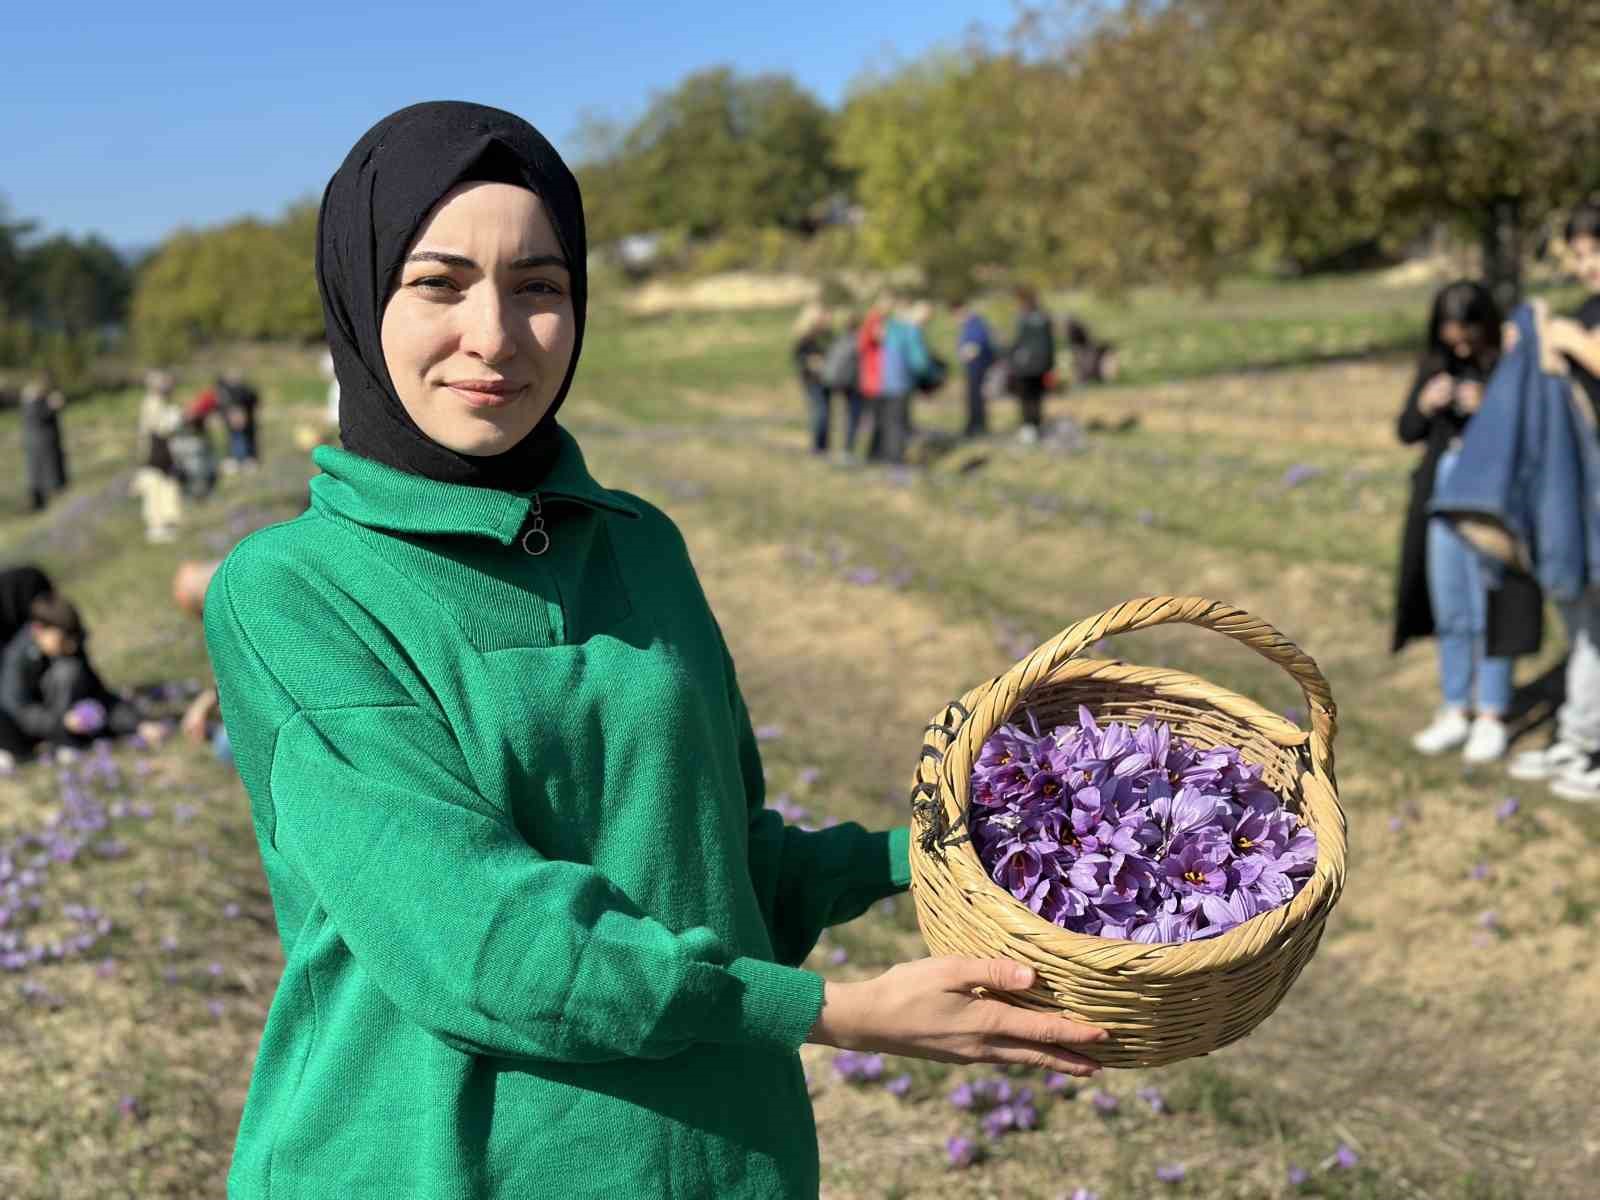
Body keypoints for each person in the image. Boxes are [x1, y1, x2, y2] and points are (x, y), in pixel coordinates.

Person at [203, 101, 1105, 1200]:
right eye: (437, 285)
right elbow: (482, 942)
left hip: (722, 1159)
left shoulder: (638, 545)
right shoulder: (294, 591)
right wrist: (835, 1013)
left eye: (539, 286)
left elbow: (712, 860)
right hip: (437, 1165)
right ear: (358, 299)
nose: (494, 335)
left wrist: (916, 858)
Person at [1396, 281, 1527, 763]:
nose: (1460, 346)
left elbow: (1527, 436)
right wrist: (1425, 404)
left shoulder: (1509, 366)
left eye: (1467, 335)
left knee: (1493, 602)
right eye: (1451, 336)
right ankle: (1456, 707)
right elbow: (1405, 430)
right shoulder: (1436, 363)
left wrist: (1487, 408)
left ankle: (1492, 712)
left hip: (1491, 503)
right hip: (1440, 498)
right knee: (1451, 607)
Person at [1508, 202, 1600, 800]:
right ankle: (1579, 736)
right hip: (1583, 487)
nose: (1586, 264)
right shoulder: (1589, 311)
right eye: (1580, 254)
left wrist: (1574, 341)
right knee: (1582, 614)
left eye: (1595, 251)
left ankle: (1588, 746)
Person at [0, 593, 166, 769]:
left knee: (70, 670)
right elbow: (20, 711)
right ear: (39, 630)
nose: (71, 646)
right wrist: (62, 722)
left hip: (56, 721)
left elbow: (98, 693)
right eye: (64, 639)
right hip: (16, 728)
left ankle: (66, 740)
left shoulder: (68, 651)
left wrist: (138, 724)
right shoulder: (17, 659)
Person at [1008, 286, 1056, 443]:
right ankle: (1036, 427)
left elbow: (1018, 342)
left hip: (1025, 366)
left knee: (1026, 398)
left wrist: (1006, 354)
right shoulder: (1045, 317)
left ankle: (1029, 429)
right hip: (1042, 364)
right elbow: (1050, 344)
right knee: (1037, 397)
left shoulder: (1023, 318)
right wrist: (1050, 366)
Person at [818, 308, 865, 460]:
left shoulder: (839, 339)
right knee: (853, 416)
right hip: (851, 382)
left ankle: (829, 448)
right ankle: (847, 450)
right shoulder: (859, 340)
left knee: (839, 416)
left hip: (833, 380)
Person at [19, 377, 68, 511]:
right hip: (41, 445)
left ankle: (43, 502)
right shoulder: (32, 403)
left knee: (42, 474)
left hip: (40, 444)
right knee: (44, 474)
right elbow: (41, 416)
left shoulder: (34, 402)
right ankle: (40, 503)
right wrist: (52, 406)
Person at [791, 302, 834, 455]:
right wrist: (812, 363)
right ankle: (817, 448)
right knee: (820, 413)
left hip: (827, 379)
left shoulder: (827, 335)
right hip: (812, 380)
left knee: (827, 413)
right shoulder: (805, 337)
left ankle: (824, 447)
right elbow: (799, 357)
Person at [954, 297, 996, 437]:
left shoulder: (976, 323)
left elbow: (979, 344)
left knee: (976, 397)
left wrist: (967, 352)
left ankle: (977, 425)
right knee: (972, 397)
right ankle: (974, 424)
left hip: (978, 366)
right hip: (972, 366)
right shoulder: (968, 324)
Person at [218, 369, 262, 472]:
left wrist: (243, 414)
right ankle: (234, 459)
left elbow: (254, 400)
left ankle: (249, 459)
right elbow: (223, 405)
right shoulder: (224, 391)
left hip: (247, 422)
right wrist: (229, 414)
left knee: (246, 438)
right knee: (234, 438)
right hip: (232, 422)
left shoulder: (246, 391)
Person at [1062, 314, 1120, 385]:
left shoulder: (1077, 332)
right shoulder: (1076, 333)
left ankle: (1084, 380)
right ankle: (1083, 380)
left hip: (1085, 348)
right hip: (1083, 347)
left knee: (1083, 361)